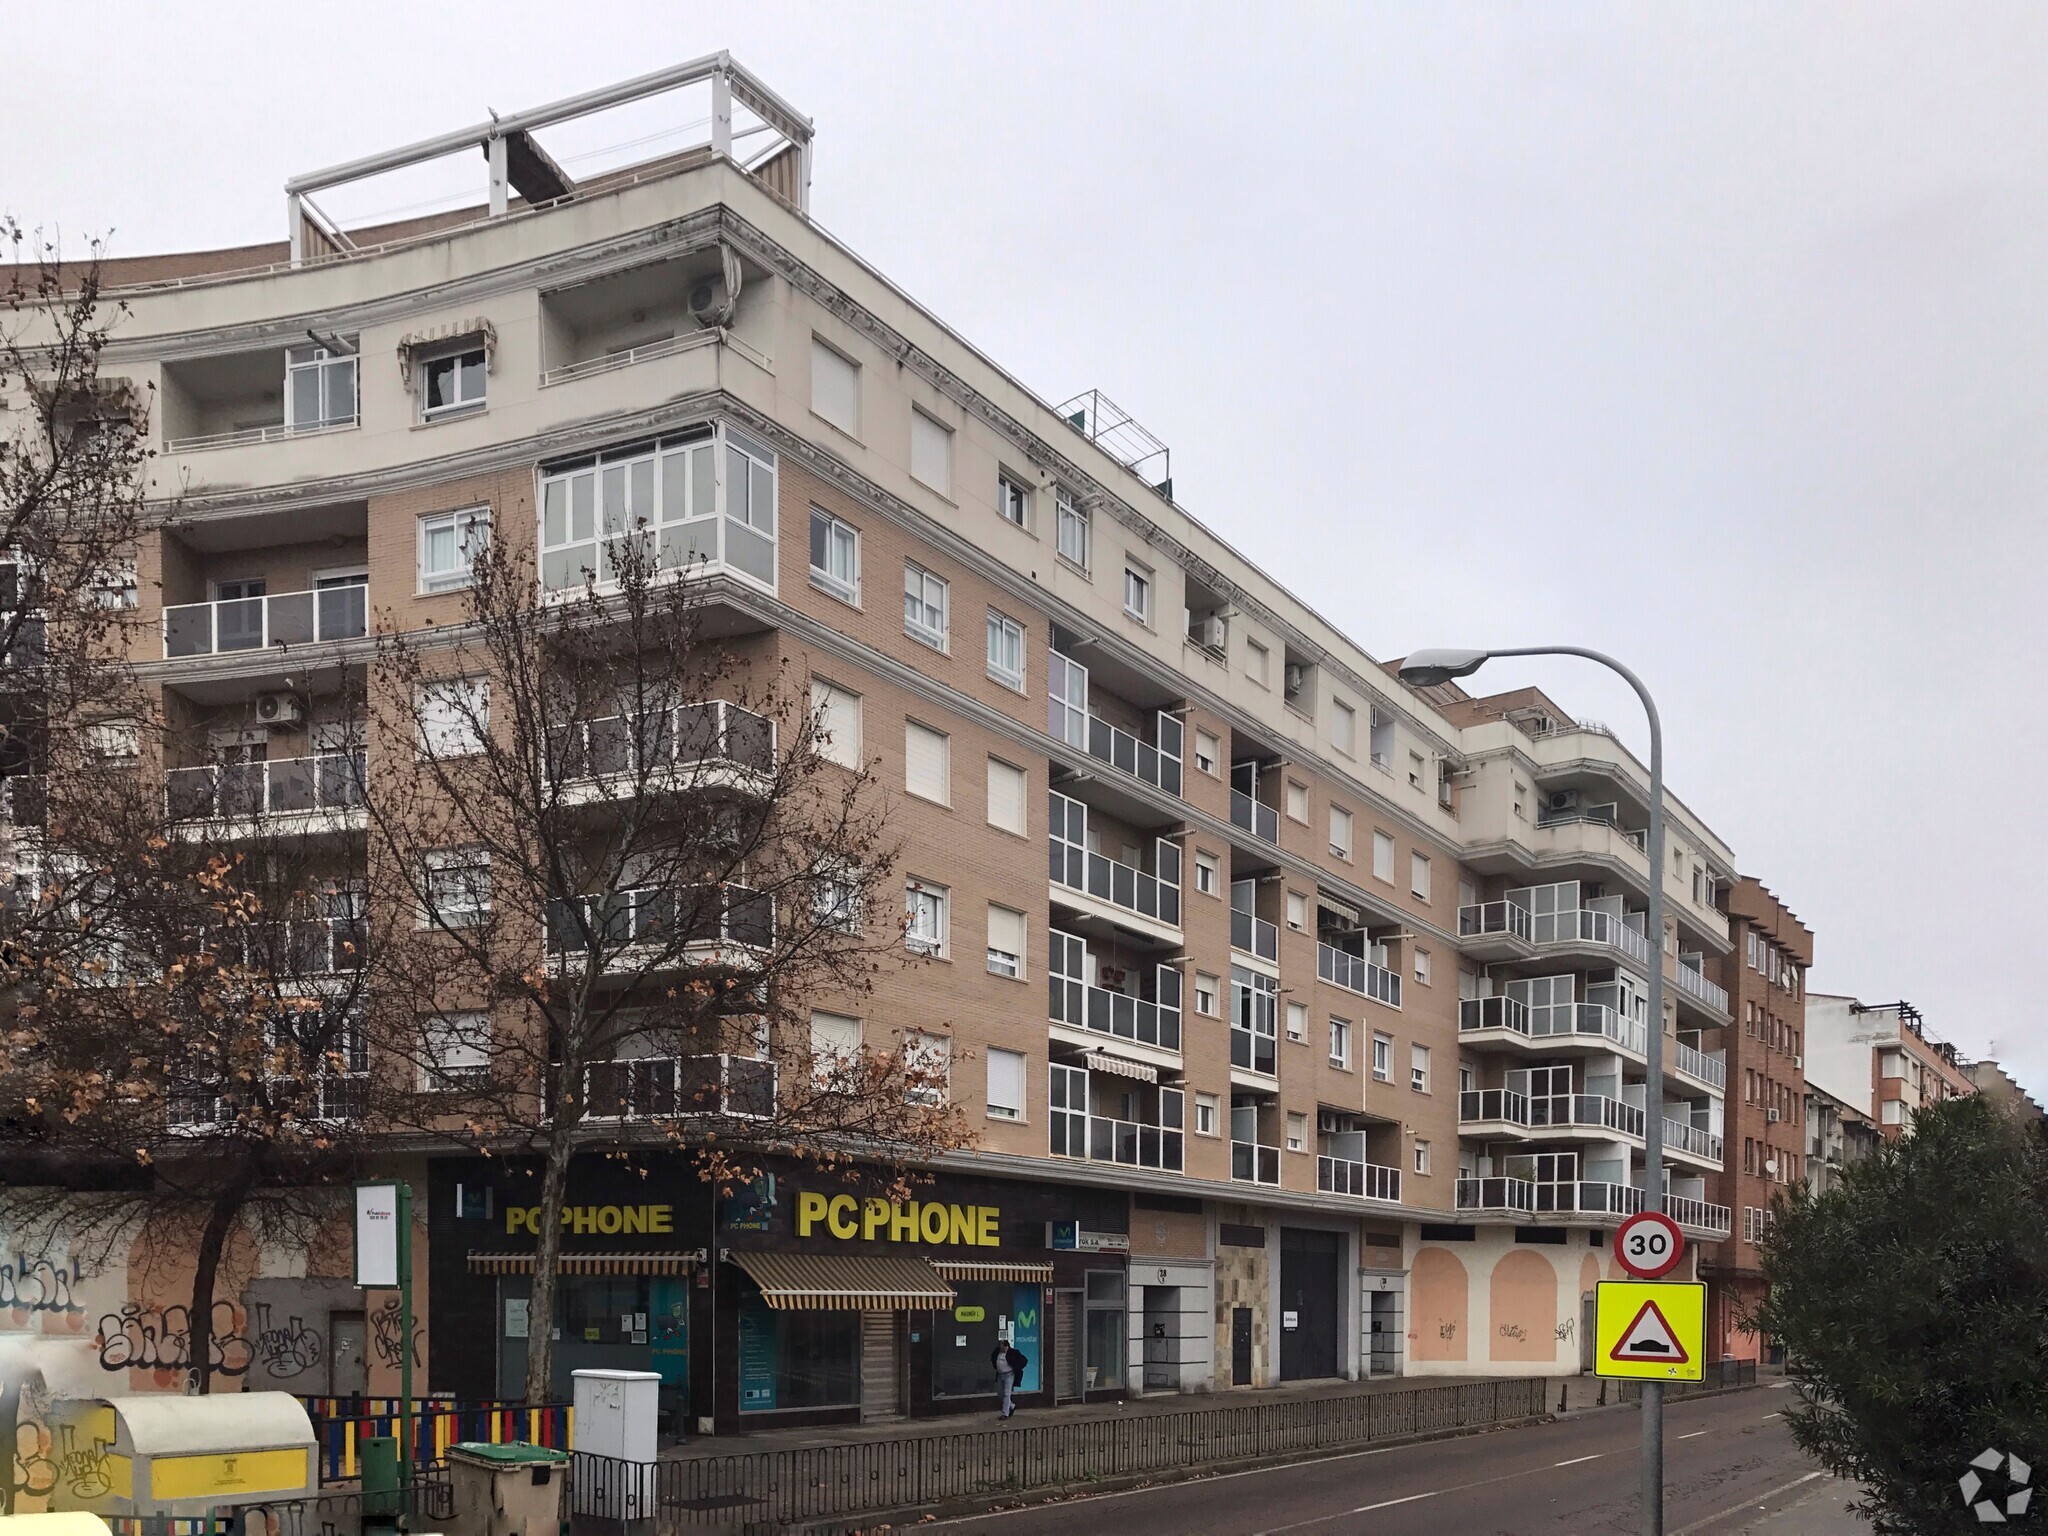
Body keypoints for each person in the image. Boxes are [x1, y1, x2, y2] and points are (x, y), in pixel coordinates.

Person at [992, 1336, 1028, 1418]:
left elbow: (1023, 1360)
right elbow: (993, 1359)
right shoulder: (997, 1352)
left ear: (1006, 1346)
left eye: (1002, 1347)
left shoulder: (1013, 1352)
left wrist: (1017, 1367)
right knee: (1000, 1394)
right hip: (1000, 1375)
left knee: (1006, 1394)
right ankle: (1012, 1406)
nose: (1001, 1349)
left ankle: (1005, 1413)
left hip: (1009, 1375)